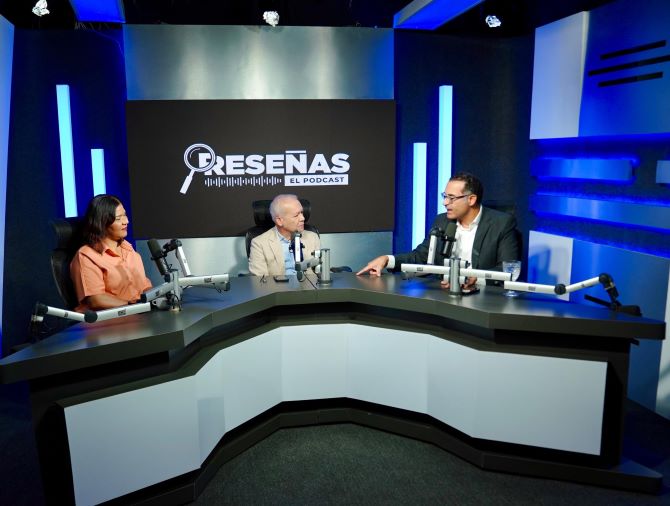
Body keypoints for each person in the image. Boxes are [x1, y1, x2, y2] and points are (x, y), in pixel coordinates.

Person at [357, 172, 520, 289]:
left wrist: (475, 279)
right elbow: (422, 256)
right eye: (444, 196)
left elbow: (507, 268)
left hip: (485, 297)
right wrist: (387, 259)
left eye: (451, 198)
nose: (445, 203)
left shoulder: (502, 224)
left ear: (471, 199)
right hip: (444, 295)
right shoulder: (442, 221)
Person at [70, 194, 152, 312]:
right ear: (102, 222)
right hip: (113, 319)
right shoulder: (86, 255)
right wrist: (134, 306)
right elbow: (96, 300)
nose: (126, 221)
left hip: (140, 314)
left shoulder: (129, 249)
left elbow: (145, 287)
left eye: (125, 215)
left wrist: (156, 299)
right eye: (118, 218)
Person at [249, 194, 321, 277]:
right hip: (277, 285)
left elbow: (319, 272)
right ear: (279, 221)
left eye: (302, 212)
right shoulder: (259, 244)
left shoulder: (312, 237)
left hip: (308, 284)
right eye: (296, 215)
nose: (302, 218)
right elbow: (260, 280)